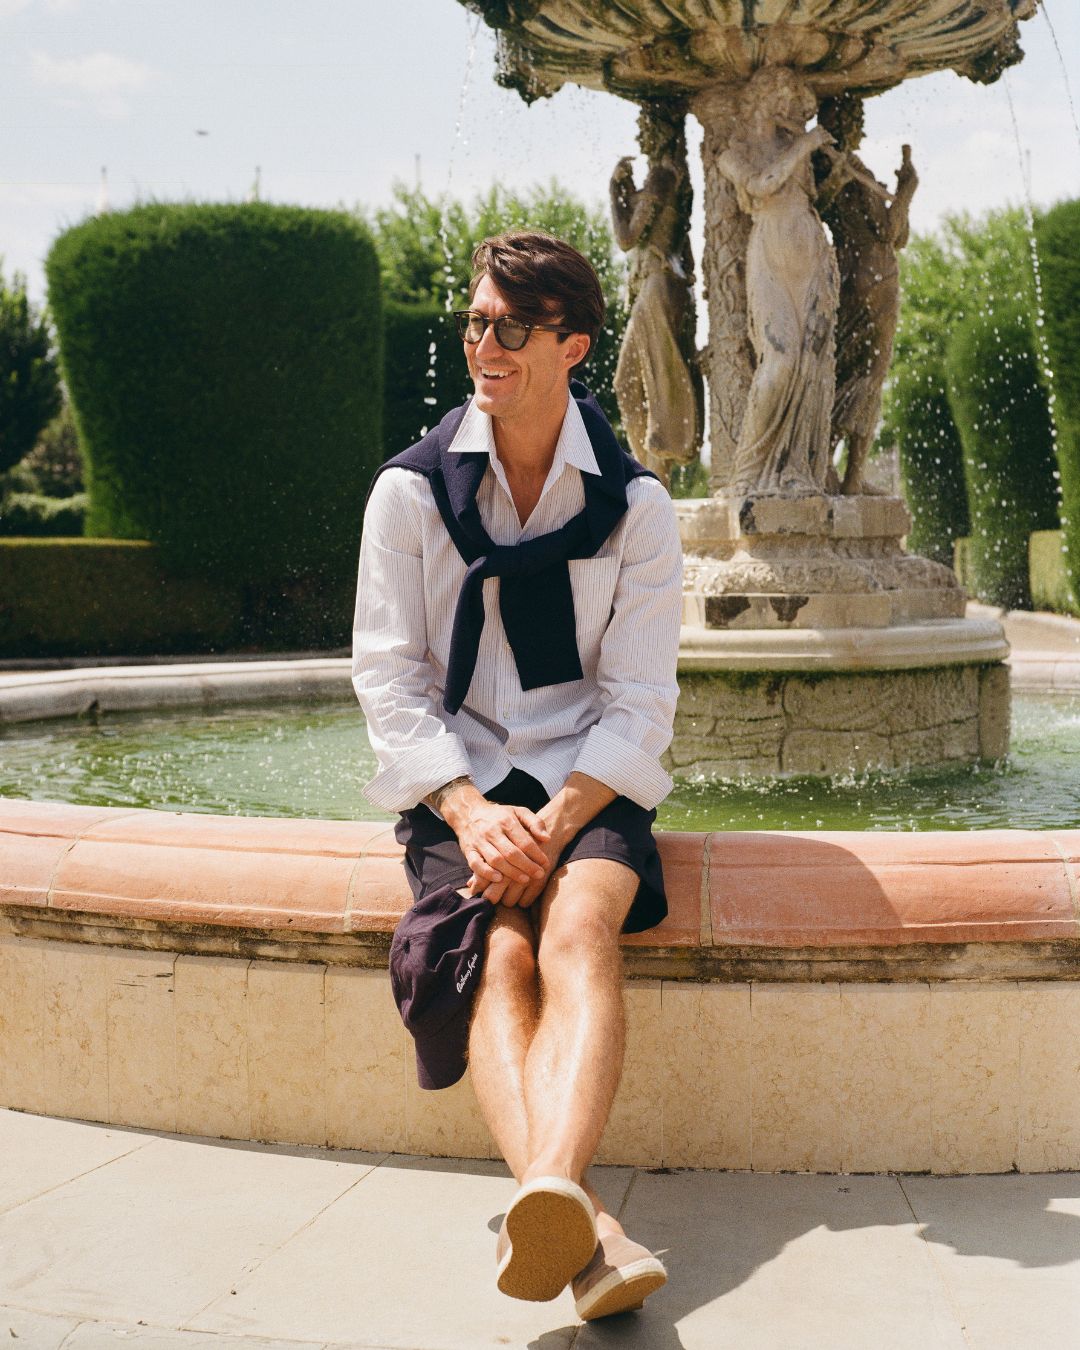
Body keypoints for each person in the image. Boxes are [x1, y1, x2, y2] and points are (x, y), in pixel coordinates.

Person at [352, 231, 683, 1321]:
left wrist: (556, 821)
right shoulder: (408, 495)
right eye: (475, 324)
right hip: (462, 777)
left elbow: (639, 701)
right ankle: (582, 1217)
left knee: (579, 924)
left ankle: (546, 1201)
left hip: (586, 774)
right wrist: (465, 805)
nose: (482, 346)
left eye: (508, 328)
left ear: (572, 344)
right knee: (497, 952)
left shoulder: (637, 507)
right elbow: (390, 678)